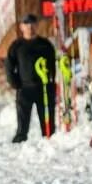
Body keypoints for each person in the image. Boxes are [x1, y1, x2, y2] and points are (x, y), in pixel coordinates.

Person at [6, 14, 57, 142]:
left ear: (37, 25)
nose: (30, 27)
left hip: (44, 88)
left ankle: (49, 139)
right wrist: (15, 83)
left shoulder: (45, 45)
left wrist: (51, 83)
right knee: (23, 120)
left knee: (47, 119)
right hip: (25, 88)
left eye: (33, 24)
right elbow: (9, 66)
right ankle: (20, 140)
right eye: (27, 24)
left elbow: (52, 65)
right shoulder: (16, 46)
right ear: (21, 27)